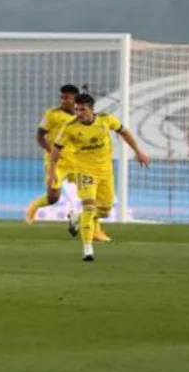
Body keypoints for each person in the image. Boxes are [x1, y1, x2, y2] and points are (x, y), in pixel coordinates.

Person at [51, 94, 150, 261]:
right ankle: (87, 249)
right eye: (76, 109)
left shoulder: (106, 120)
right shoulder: (69, 127)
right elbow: (56, 148)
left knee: (104, 211)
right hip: (84, 171)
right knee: (89, 207)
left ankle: (77, 218)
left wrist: (138, 151)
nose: (79, 113)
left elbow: (124, 133)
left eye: (82, 109)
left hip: (105, 172)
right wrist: (52, 171)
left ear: (91, 109)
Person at [24, 85, 85, 230]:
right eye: (62, 97)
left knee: (90, 194)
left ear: (75, 99)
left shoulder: (82, 116)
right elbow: (40, 136)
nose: (63, 101)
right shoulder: (52, 114)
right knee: (53, 198)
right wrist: (49, 149)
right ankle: (34, 206)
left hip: (77, 160)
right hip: (56, 162)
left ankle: (79, 221)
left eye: (67, 98)